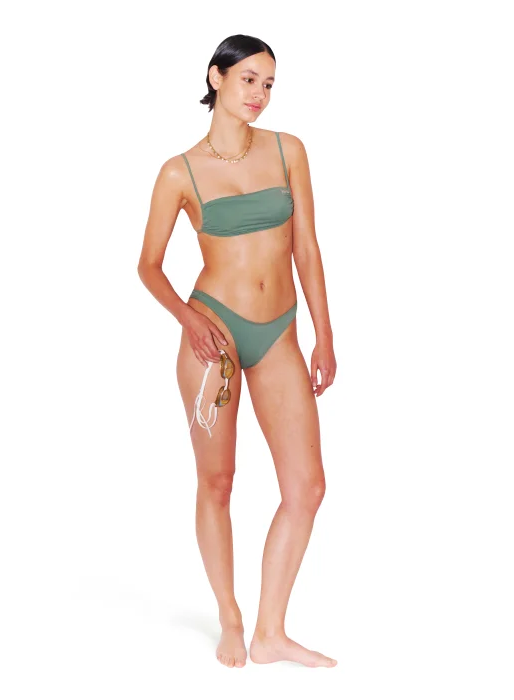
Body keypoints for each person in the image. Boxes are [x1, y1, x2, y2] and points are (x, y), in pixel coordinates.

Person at [137, 34, 337, 669]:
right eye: (249, 79)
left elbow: (306, 248)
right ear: (216, 77)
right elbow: (148, 266)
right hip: (214, 333)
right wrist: (188, 319)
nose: (260, 94)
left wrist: (324, 333)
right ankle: (230, 616)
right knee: (218, 480)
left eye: (269, 84)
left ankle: (270, 632)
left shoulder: (288, 150)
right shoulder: (180, 172)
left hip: (280, 332)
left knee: (306, 487)